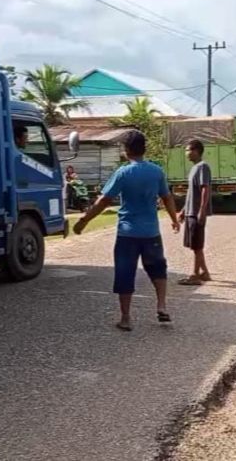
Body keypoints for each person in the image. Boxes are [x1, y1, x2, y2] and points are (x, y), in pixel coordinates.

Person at [74, 130, 180, 331]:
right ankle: (162, 305)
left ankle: (126, 318)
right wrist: (174, 219)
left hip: (128, 233)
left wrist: (84, 220)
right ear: (144, 149)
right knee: (158, 268)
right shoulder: (157, 172)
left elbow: (104, 200)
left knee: (125, 273)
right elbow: (167, 197)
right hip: (151, 232)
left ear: (126, 150)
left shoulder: (123, 173)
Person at [178, 139, 212, 285]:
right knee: (195, 244)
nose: (187, 153)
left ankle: (195, 275)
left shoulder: (203, 167)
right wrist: (183, 210)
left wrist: (202, 211)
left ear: (197, 151)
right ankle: (204, 273)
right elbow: (191, 193)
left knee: (197, 245)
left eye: (189, 150)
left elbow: (205, 188)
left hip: (197, 212)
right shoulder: (194, 168)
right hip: (190, 211)